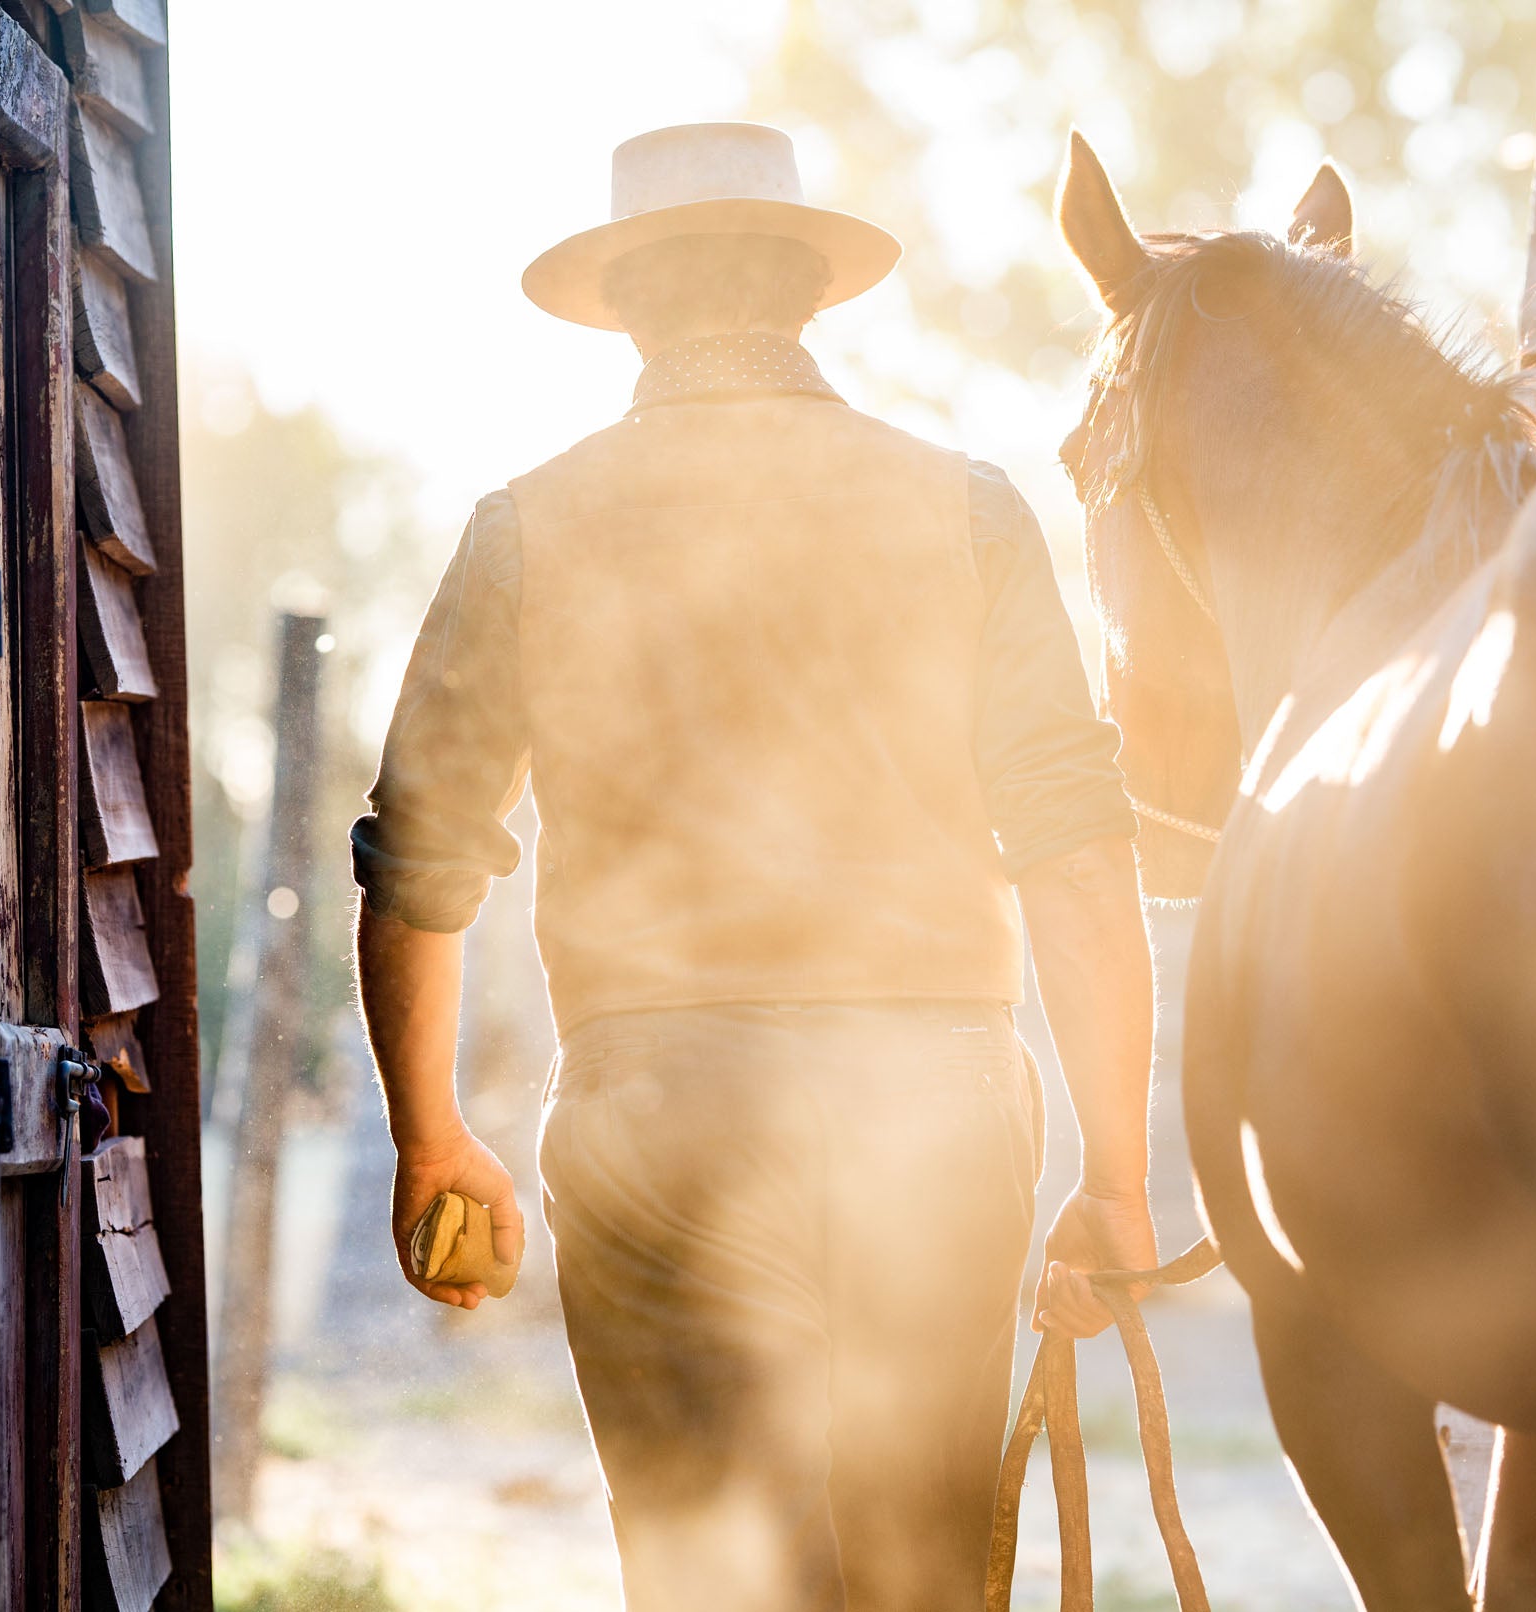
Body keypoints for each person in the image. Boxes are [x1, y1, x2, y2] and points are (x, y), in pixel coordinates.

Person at [352, 122, 1158, 1612]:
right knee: (918, 1575)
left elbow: (415, 862)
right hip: (933, 1109)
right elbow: (1075, 850)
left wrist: (431, 1135)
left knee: (714, 1575)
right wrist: (1114, 1180)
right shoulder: (967, 506)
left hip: (660, 1112)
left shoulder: (528, 526)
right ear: (804, 296)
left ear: (630, 311)